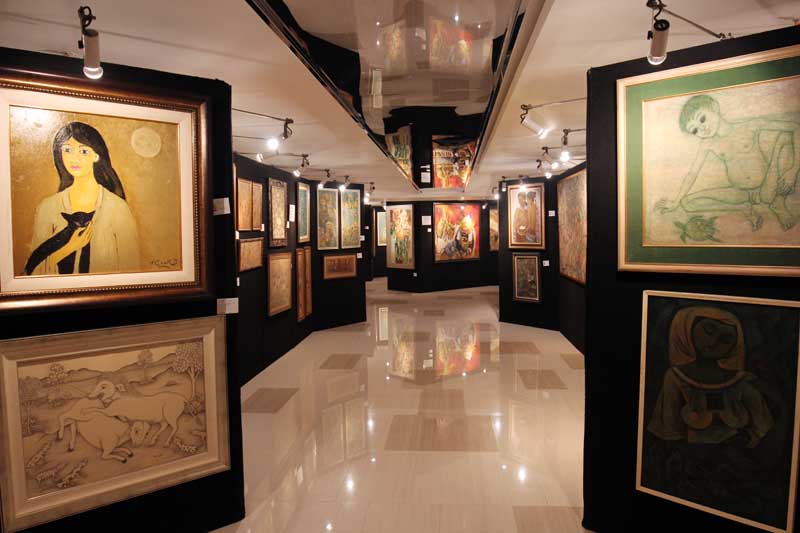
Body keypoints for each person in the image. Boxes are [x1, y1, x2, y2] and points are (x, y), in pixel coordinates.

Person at [655, 94, 800, 231]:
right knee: (687, 203)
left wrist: (793, 171)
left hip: (766, 184)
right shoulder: (708, 144)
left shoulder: (749, 126)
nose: (702, 128)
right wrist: (676, 201)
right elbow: (692, 173)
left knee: (784, 139)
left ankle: (778, 203)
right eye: (695, 130)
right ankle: (743, 207)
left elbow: (795, 127)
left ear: (714, 107)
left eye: (702, 119)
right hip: (740, 193)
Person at [648, 306, 773, 447]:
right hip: (690, 454)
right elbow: (669, 428)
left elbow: (762, 424)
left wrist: (746, 439)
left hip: (734, 454)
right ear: (689, 327)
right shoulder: (675, 377)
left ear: (734, 346)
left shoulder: (742, 381)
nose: (713, 343)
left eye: (725, 340)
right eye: (708, 330)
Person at [26, 122, 140, 276]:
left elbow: (132, 271)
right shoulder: (47, 207)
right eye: (67, 150)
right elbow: (32, 272)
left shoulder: (118, 208)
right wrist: (69, 248)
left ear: (96, 156)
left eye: (83, 151)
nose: (74, 158)